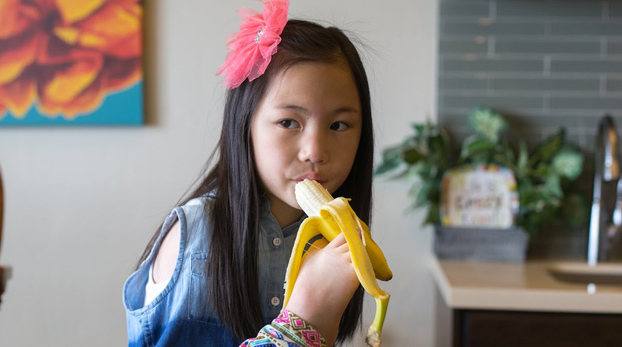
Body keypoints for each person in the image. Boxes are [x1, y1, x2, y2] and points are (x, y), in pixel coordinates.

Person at [123, 0, 376, 346]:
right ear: (246, 126)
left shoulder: (330, 239)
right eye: (288, 122)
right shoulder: (199, 239)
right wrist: (304, 321)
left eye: (339, 125)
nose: (315, 151)